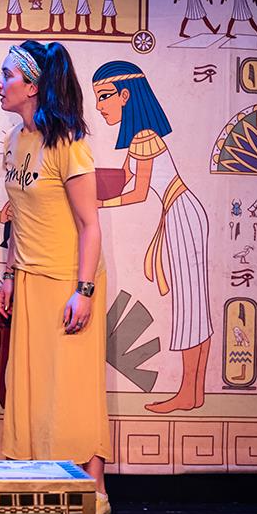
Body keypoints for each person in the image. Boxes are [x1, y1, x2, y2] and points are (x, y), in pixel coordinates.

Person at [0, 40, 112, 514]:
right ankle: (39, 483)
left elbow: (90, 225)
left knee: (75, 388)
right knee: (32, 389)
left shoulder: (68, 143)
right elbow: (19, 217)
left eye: (7, 75)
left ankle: (94, 489)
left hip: (68, 280)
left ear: (32, 86)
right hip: (29, 279)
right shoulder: (14, 140)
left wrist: (83, 292)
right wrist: (9, 274)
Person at [91, 60, 212, 417]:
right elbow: (122, 180)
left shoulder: (145, 137)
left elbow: (138, 193)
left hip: (181, 214)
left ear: (126, 95)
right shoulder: (138, 138)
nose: (99, 106)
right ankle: (193, 392)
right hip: (179, 213)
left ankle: (188, 392)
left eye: (104, 96)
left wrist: (99, 203)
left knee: (191, 305)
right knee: (193, 304)